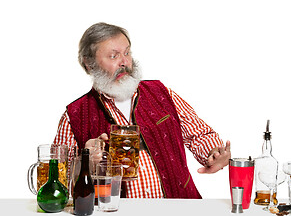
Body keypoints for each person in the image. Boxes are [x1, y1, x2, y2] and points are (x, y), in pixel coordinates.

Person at [54, 22, 231, 198]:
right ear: (89, 64)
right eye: (114, 56)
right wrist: (84, 163)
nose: (125, 62)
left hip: (179, 209)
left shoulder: (162, 93)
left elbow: (199, 134)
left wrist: (214, 153)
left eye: (127, 52)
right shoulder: (74, 115)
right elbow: (59, 180)